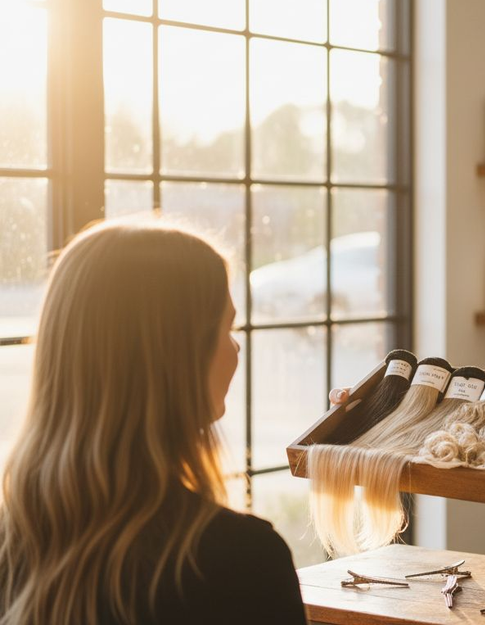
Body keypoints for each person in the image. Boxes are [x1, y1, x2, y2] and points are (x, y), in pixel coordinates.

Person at [0, 222, 307, 625]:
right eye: (225, 327)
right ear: (175, 357)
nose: (235, 347)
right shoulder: (240, 561)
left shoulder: (14, 546)